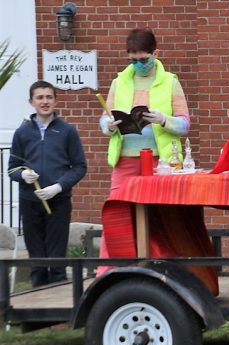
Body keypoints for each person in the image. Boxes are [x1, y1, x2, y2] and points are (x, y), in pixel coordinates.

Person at [97, 27, 191, 270]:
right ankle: (111, 272)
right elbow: (104, 118)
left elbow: (185, 124)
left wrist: (163, 120)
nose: (138, 64)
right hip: (125, 160)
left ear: (156, 53)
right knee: (117, 216)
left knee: (162, 217)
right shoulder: (119, 82)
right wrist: (108, 125)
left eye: (143, 59)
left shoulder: (170, 82)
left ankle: (167, 270)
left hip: (162, 162)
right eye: (133, 60)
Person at [8, 80, 87, 287]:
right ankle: (38, 310)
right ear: (31, 102)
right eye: (40, 97)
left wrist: (58, 186)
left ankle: (59, 309)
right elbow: (12, 168)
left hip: (58, 201)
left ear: (55, 100)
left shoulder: (67, 131)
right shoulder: (22, 133)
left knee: (57, 259)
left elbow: (79, 167)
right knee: (37, 259)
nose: (45, 102)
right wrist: (23, 175)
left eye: (49, 97)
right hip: (30, 201)